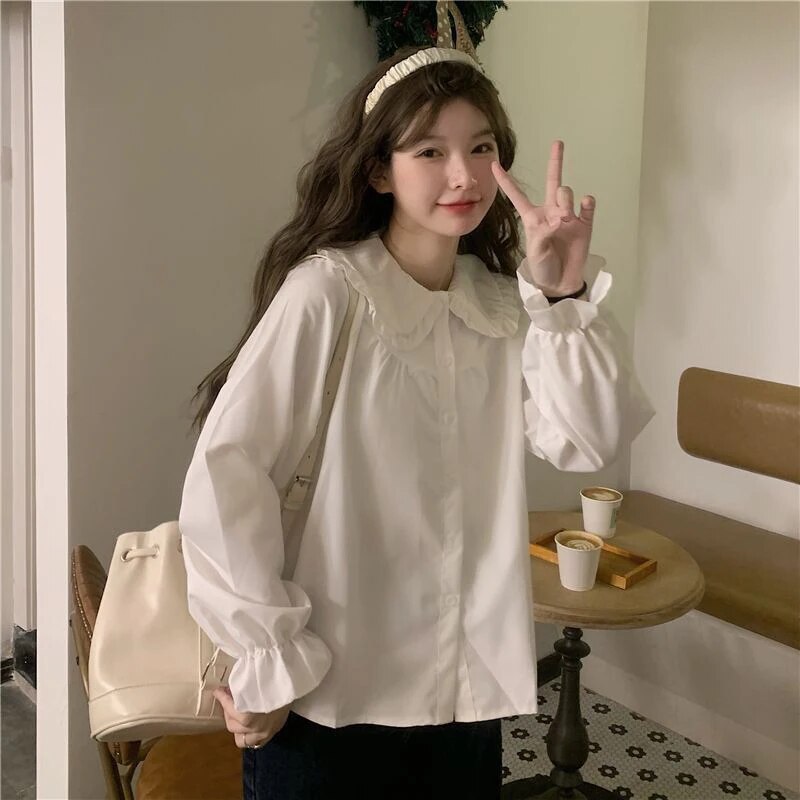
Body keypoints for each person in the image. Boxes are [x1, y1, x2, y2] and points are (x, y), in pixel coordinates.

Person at [178, 43, 651, 800]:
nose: (463, 175)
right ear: (378, 170)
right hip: (328, 699)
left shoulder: (504, 307)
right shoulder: (329, 293)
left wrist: (562, 300)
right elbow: (227, 474)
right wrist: (267, 658)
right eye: (430, 151)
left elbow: (588, 439)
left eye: (481, 148)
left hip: (463, 702)